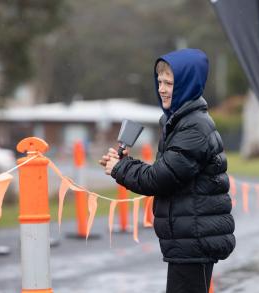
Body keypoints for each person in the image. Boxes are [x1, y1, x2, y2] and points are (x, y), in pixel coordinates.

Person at [99, 48, 235, 293]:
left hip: (194, 240)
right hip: (188, 239)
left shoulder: (193, 128)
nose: (161, 88)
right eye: (159, 81)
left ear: (187, 85)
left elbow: (159, 180)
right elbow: (168, 172)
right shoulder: (180, 122)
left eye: (169, 83)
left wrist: (120, 168)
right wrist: (125, 164)